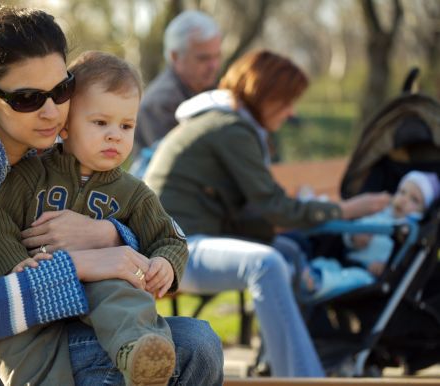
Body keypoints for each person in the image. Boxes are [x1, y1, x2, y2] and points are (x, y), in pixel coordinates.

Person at [0, 7, 224, 386]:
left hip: (39, 335)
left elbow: (164, 229)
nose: (52, 111)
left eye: (61, 90)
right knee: (190, 348)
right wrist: (81, 265)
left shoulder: (48, 155)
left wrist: (110, 234)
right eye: (28, 98)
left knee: (196, 341)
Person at [145, 49, 391, 377]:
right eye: (286, 101)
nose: (291, 112)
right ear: (265, 93)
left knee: (285, 251)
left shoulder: (225, 120)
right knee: (266, 263)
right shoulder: (231, 129)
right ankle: (305, 379)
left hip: (185, 241)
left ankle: (287, 366)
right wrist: (346, 209)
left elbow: (254, 214)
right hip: (171, 253)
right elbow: (274, 207)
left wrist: (292, 241)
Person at [0, 51, 187, 386]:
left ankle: (140, 355)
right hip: (39, 288)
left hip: (102, 288)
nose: (115, 135)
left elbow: (169, 237)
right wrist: (15, 264)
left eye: (126, 125)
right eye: (101, 123)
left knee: (125, 296)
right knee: (18, 339)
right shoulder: (33, 175)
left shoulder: (134, 192)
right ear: (65, 125)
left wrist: (166, 262)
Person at [302, 170, 440, 301]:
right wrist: (353, 238)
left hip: (370, 275)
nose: (403, 200)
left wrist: (385, 266)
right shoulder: (379, 213)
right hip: (347, 262)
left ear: (423, 211)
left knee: (356, 279)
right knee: (327, 263)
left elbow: (405, 261)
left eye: (414, 200)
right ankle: (304, 273)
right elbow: (353, 229)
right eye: (402, 192)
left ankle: (316, 282)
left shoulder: (412, 231)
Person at [132, 9, 222, 157]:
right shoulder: (160, 103)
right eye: (203, 58)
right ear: (175, 57)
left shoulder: (215, 91)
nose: (214, 65)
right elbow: (177, 165)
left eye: (217, 56)